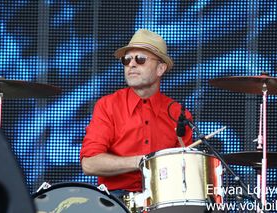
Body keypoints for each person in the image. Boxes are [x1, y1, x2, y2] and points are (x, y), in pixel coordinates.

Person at [80, 29, 193, 200]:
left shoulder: (178, 113)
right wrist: (143, 161)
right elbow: (89, 163)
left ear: (160, 69)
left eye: (140, 59)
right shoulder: (108, 105)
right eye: (127, 60)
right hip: (115, 201)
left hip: (164, 200)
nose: (131, 64)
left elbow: (185, 173)